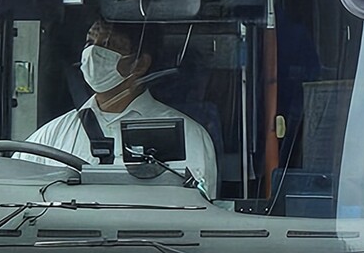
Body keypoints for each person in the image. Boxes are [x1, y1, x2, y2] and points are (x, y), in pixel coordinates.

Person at [25, 18, 219, 194]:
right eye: (90, 42)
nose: (93, 53)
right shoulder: (50, 137)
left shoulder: (187, 136)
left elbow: (197, 208)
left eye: (108, 45)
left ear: (140, 64)